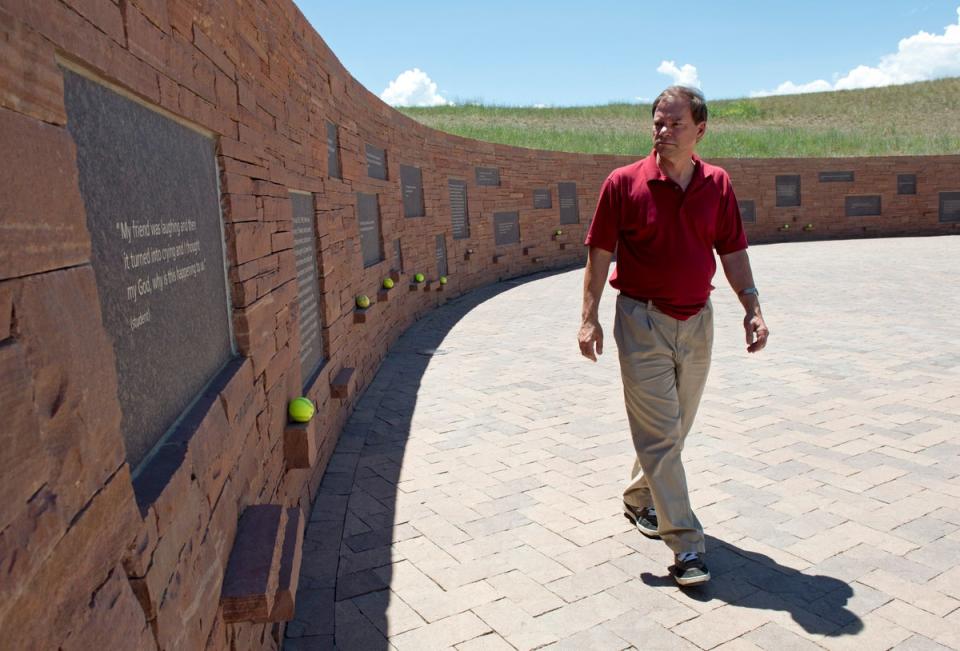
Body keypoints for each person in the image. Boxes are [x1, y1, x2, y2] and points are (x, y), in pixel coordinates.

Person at [577, 85, 769, 586]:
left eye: (674, 123)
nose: (662, 131)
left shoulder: (718, 184)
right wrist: (588, 315)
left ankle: (641, 496)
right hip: (641, 322)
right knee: (662, 435)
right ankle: (687, 546)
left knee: (675, 428)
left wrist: (752, 307)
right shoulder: (623, 183)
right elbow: (599, 252)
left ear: (699, 130)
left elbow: (732, 252)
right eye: (657, 122)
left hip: (698, 321)